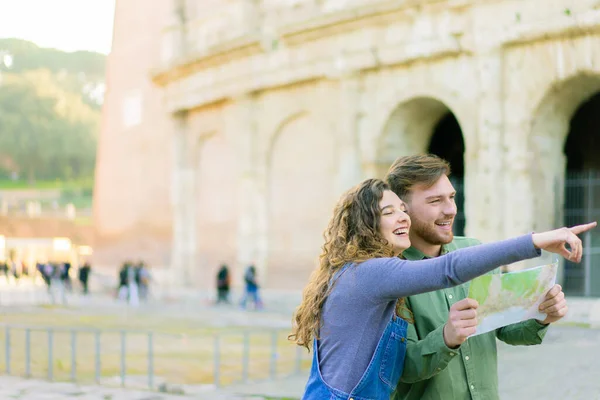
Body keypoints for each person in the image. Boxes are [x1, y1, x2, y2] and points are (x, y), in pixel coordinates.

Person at [288, 178, 595, 400]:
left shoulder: (360, 274)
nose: (402, 217)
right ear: (365, 226)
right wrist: (535, 241)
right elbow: (447, 271)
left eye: (401, 209)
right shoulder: (369, 274)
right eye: (388, 212)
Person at [386, 155, 573, 400]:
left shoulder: (476, 252)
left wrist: (542, 315)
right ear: (403, 210)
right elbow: (399, 368)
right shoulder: (389, 275)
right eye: (435, 201)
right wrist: (446, 338)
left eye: (451, 197)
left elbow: (507, 330)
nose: (450, 210)